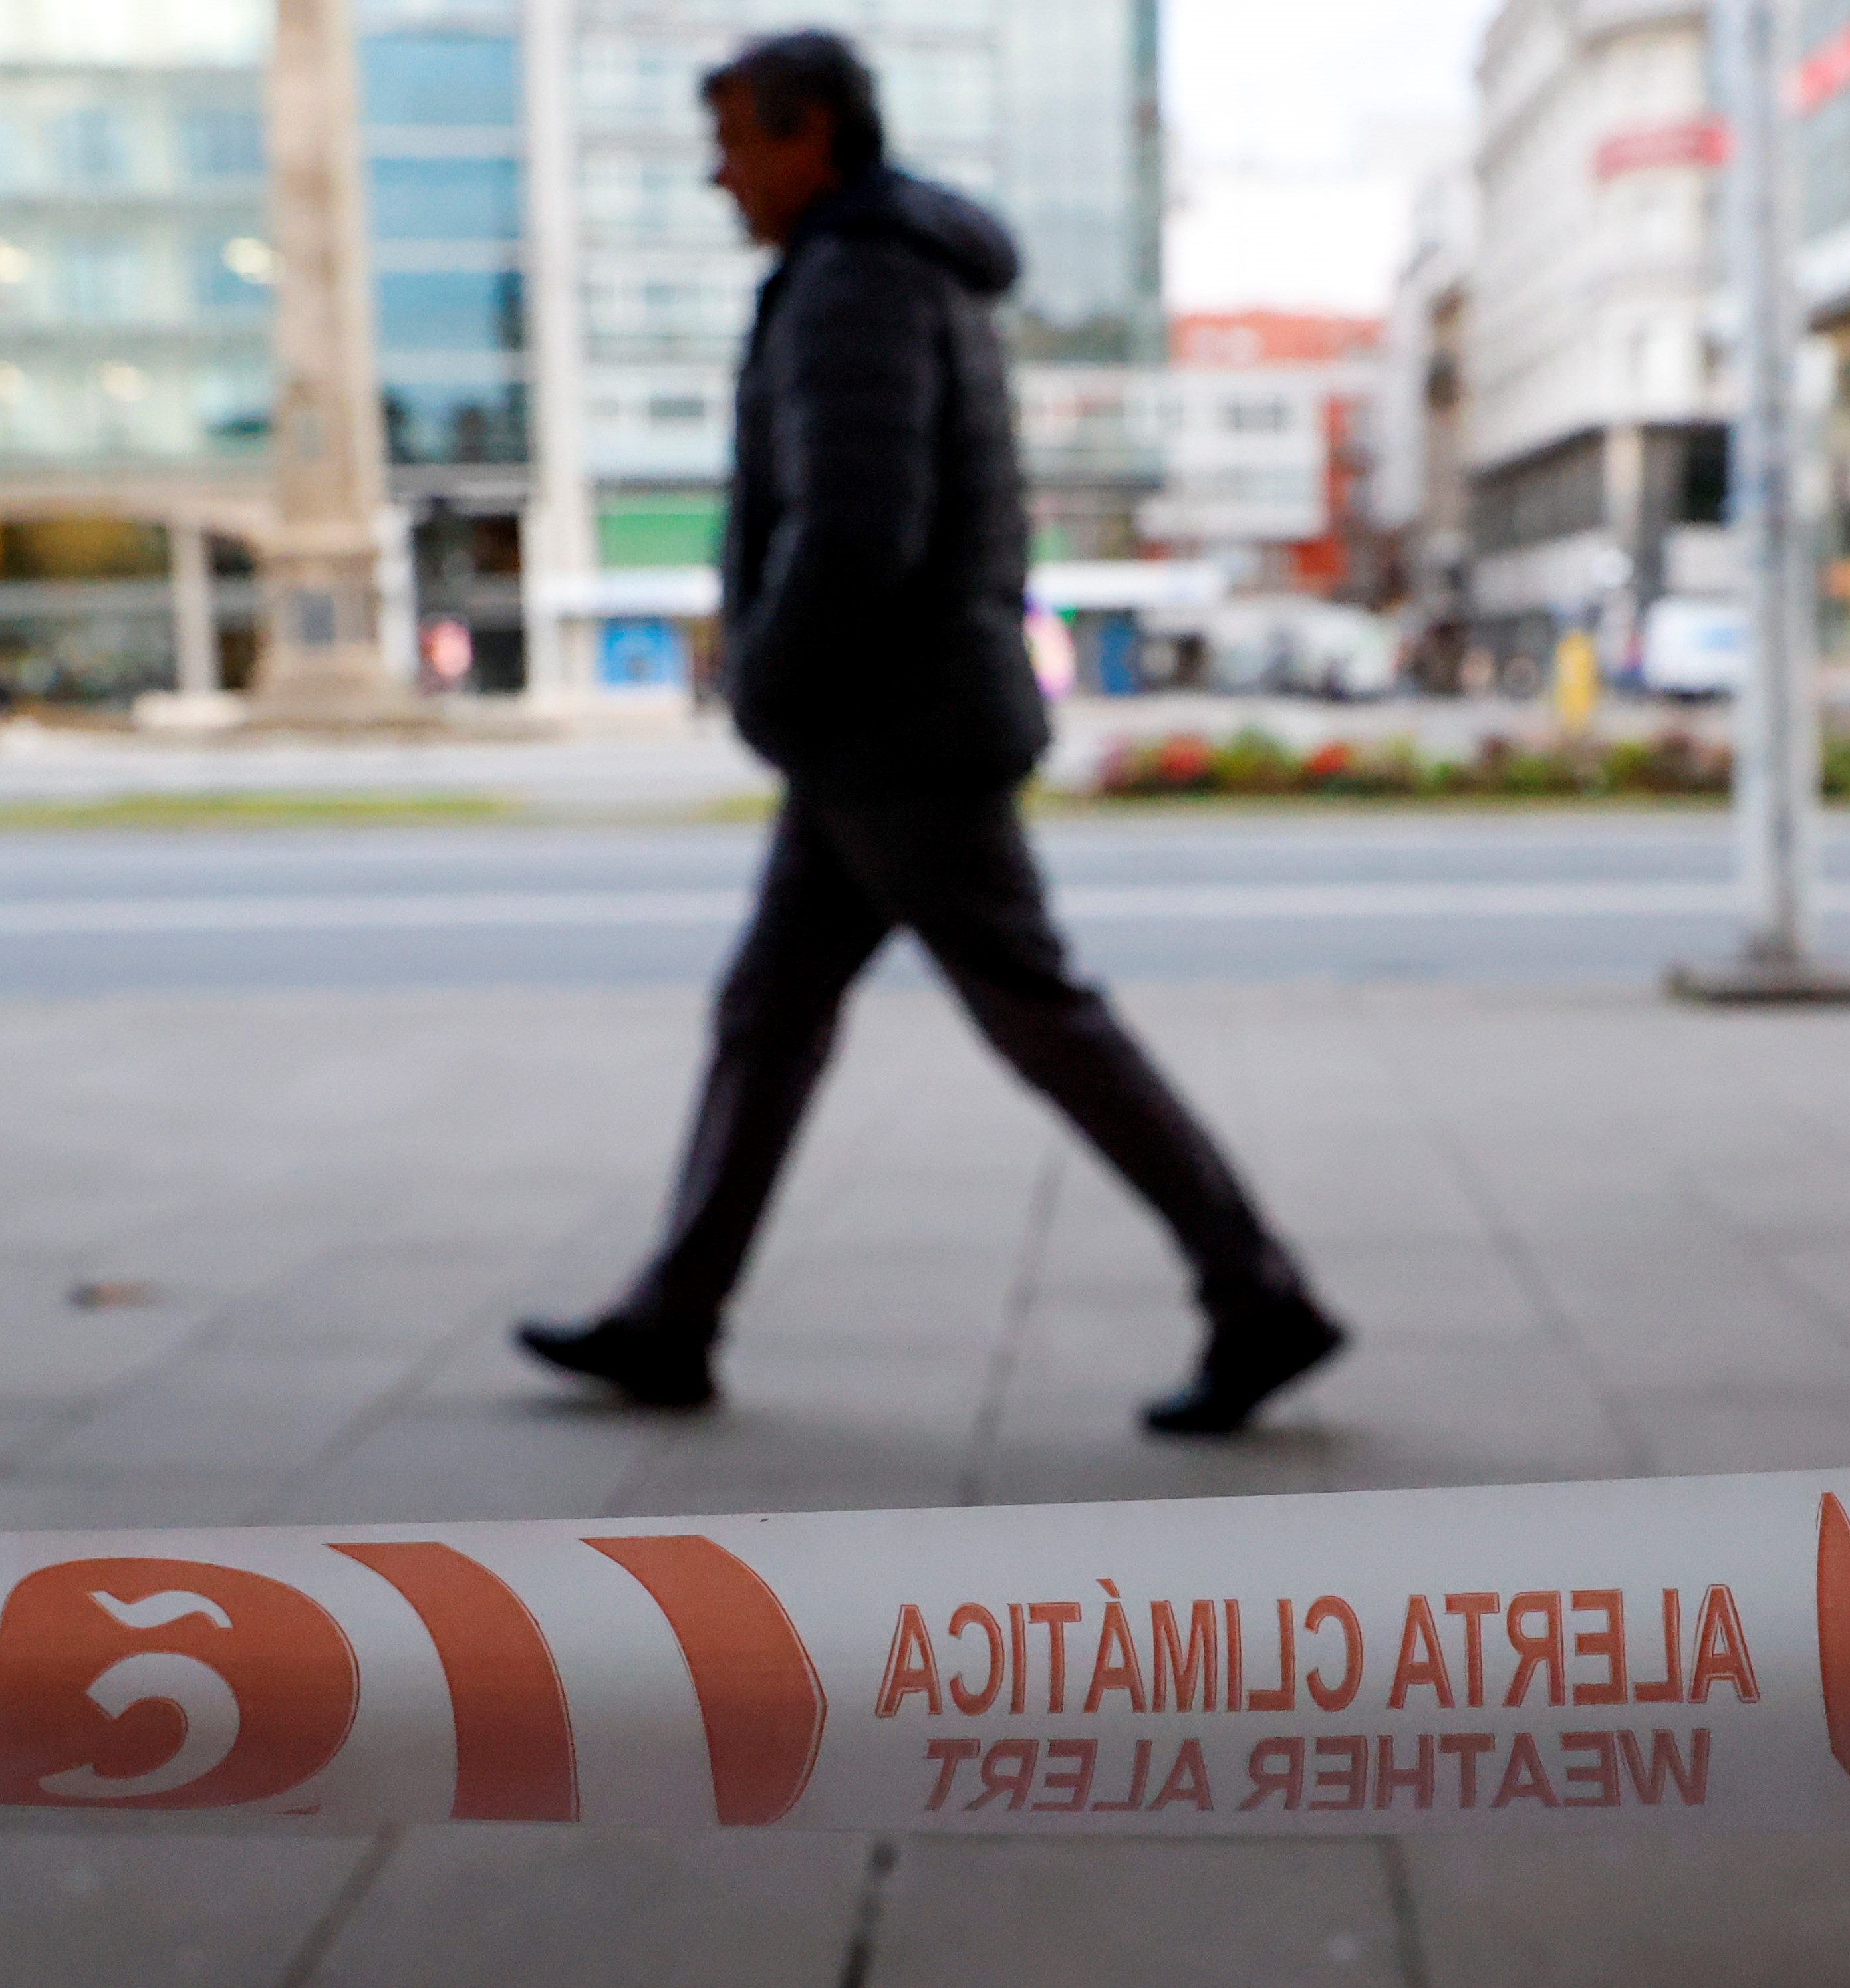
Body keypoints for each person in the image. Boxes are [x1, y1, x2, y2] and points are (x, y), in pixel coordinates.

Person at [519, 29, 1347, 1437]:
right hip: (883, 725)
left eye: (736, 143)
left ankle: (1258, 1294)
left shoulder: (859, 282)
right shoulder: (880, 269)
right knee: (770, 1015)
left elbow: (856, 527)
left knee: (1038, 1016)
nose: (721, 178)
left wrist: (765, 689)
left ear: (815, 135)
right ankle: (675, 1316)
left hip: (892, 729)